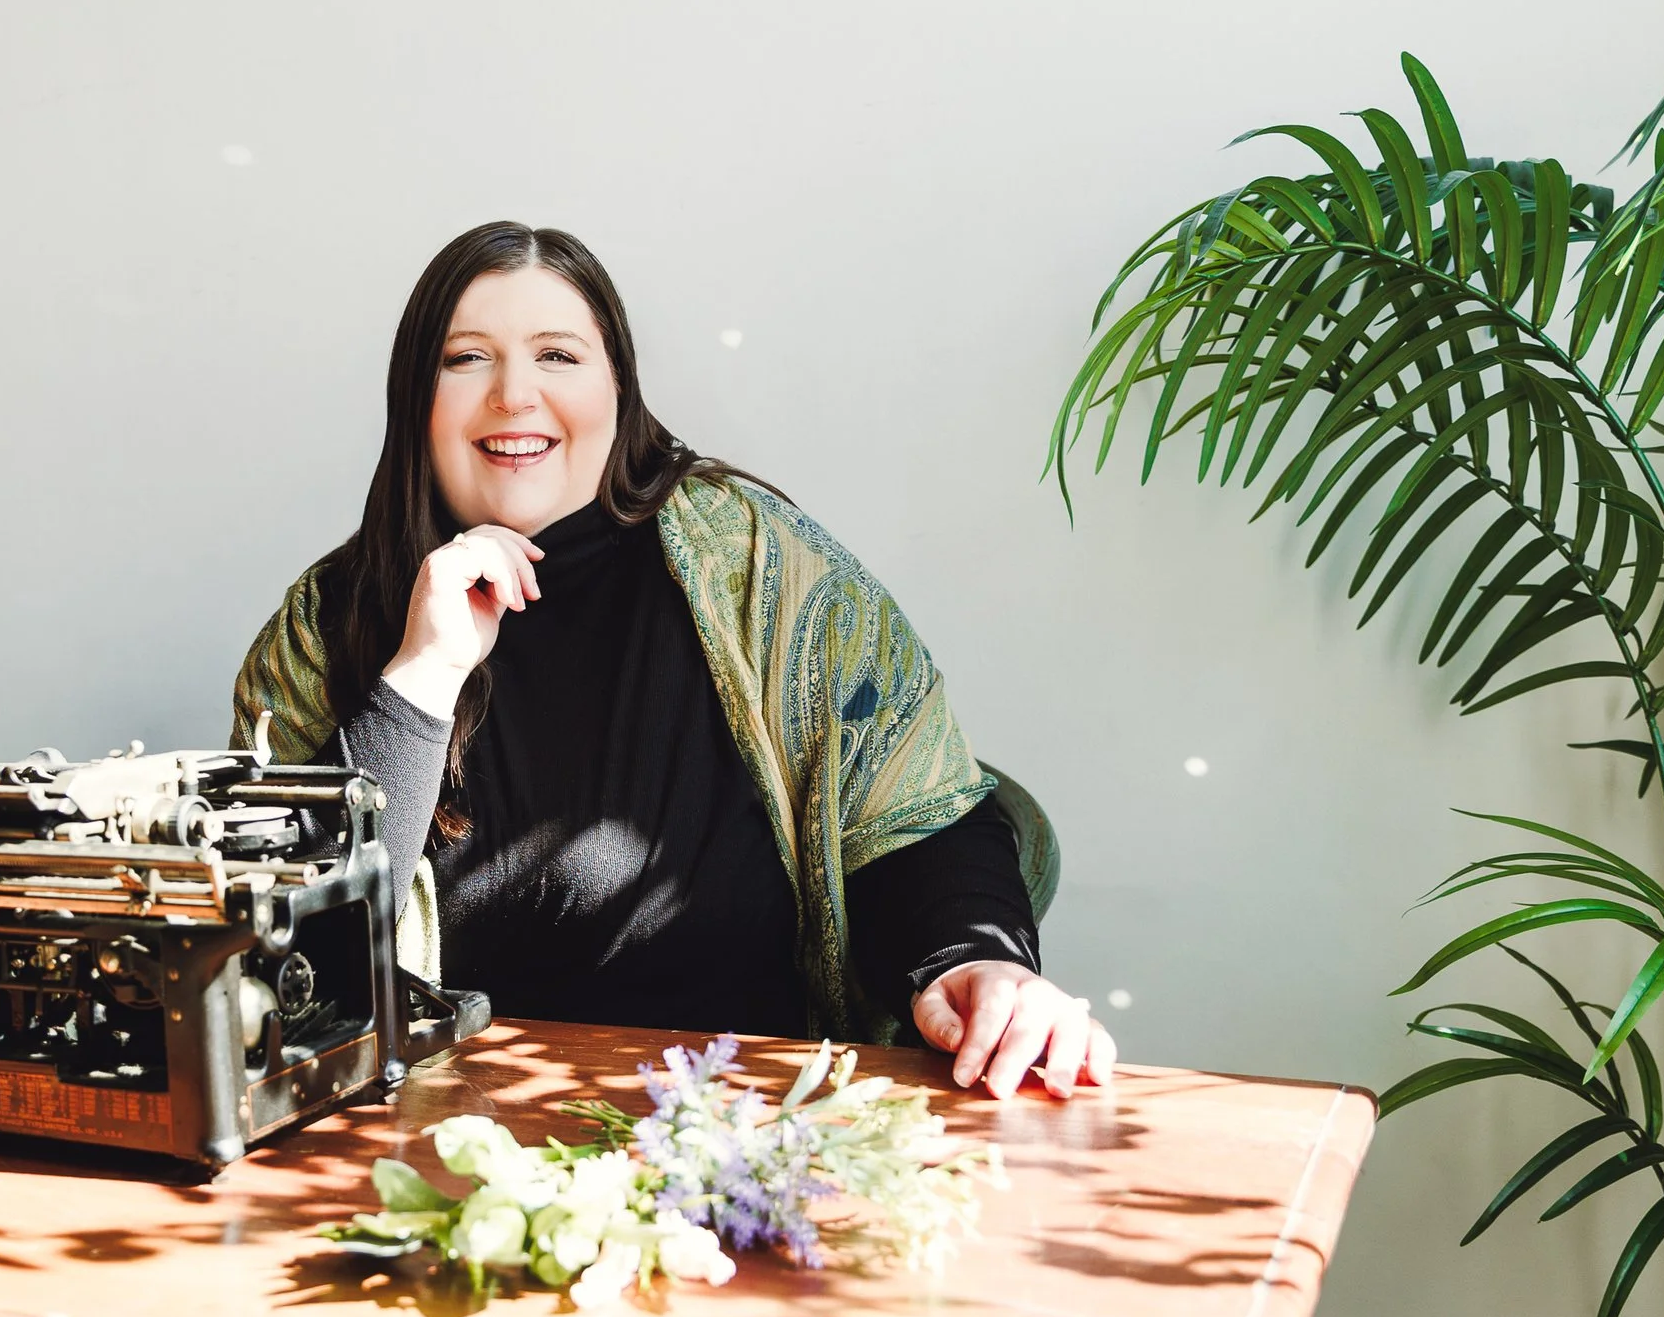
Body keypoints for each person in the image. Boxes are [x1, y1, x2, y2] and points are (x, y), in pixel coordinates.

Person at [233, 222, 1112, 1100]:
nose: (514, 395)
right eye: (467, 359)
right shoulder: (325, 625)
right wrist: (420, 679)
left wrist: (975, 958)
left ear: (618, 386)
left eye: (557, 356)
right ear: (414, 397)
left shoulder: (758, 563)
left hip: (740, 1131)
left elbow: (918, 816)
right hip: (427, 1133)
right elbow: (284, 967)